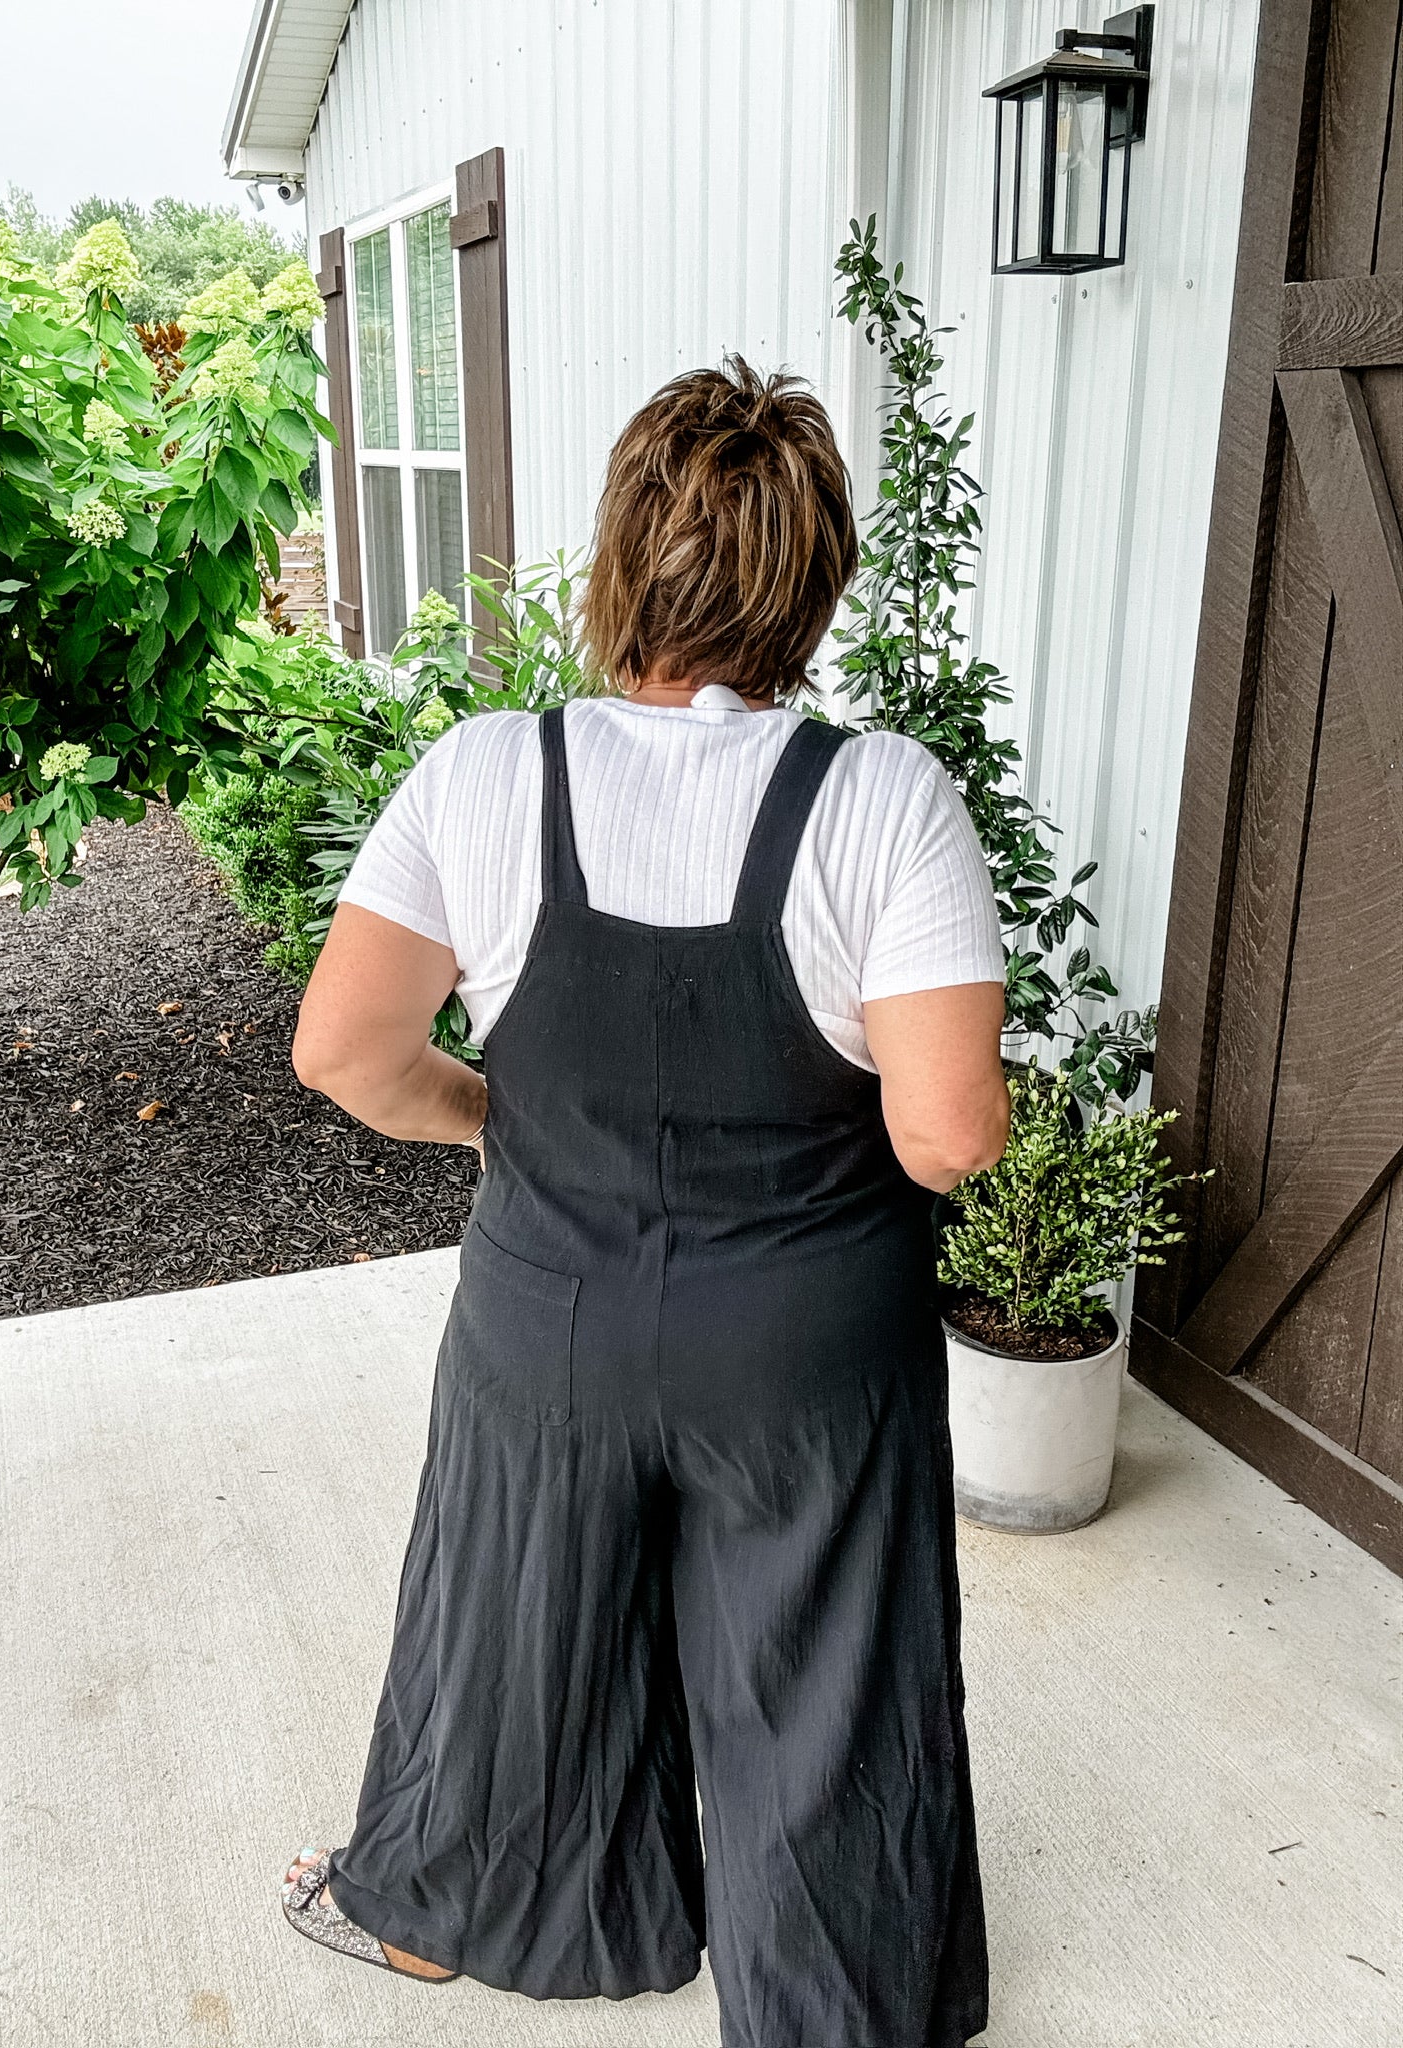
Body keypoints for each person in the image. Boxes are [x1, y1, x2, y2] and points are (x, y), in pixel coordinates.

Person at [282, 356, 1010, 2048]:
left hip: (550, 1313)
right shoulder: (884, 799)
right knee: (822, 1675)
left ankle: (451, 1912)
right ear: (813, 584)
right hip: (806, 1344)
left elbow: (345, 1052)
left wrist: (495, 1125)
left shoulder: (482, 774)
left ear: (621, 562)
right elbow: (949, 1138)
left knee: (513, 1626)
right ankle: (829, 2006)